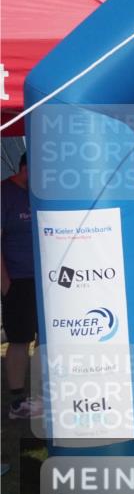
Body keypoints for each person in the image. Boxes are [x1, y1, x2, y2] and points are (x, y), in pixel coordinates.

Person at [1, 154, 40, 419]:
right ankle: (18, 400)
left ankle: (42, 395)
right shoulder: (5, 193)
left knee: (46, 339)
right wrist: (6, 285)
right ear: (26, 168)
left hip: (48, 278)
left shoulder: (40, 194)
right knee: (19, 339)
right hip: (17, 279)